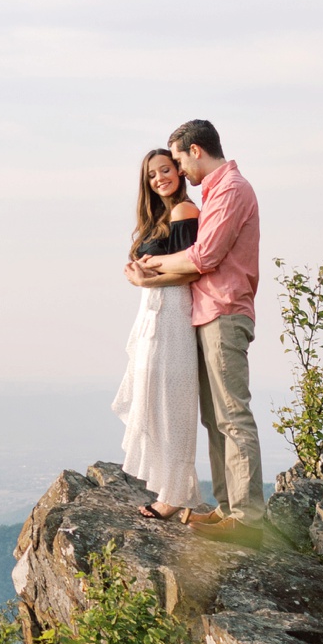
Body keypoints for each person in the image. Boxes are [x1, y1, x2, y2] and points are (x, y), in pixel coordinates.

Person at [131, 119, 263, 538]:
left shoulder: (232, 190)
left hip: (224, 312)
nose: (178, 170)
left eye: (179, 160)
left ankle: (247, 518)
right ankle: (229, 508)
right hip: (206, 314)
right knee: (215, 417)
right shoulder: (215, 192)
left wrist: (147, 269)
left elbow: (202, 257)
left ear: (196, 151)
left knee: (232, 416)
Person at [113, 149, 206, 521]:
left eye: (165, 170)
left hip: (172, 315)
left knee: (171, 404)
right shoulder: (158, 219)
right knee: (153, 400)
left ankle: (174, 495)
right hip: (153, 315)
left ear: (179, 172)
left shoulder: (185, 211)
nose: (159, 179)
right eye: (152, 175)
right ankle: (166, 487)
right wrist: (140, 277)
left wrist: (143, 279)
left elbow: (192, 272)